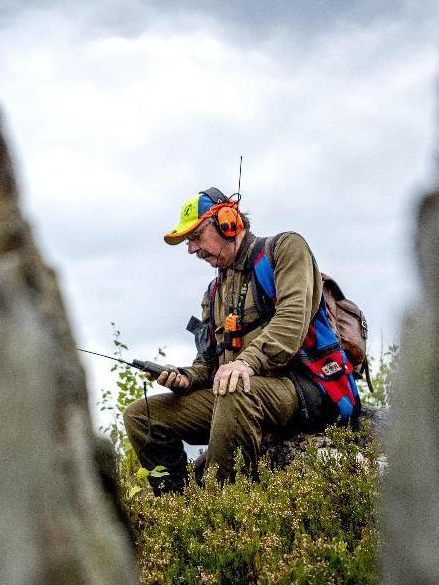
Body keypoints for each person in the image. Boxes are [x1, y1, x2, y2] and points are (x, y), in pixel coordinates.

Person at [122, 187, 361, 494]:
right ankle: (175, 504)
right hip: (246, 395)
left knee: (235, 391)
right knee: (142, 416)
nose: (191, 250)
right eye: (187, 242)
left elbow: (291, 321)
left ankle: (219, 509)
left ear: (227, 221)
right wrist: (184, 378)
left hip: (311, 386)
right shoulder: (213, 292)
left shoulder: (286, 249)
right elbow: (207, 363)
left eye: (195, 236)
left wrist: (246, 362)